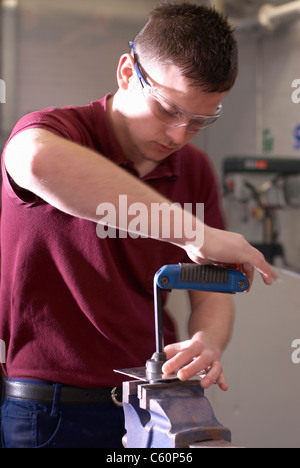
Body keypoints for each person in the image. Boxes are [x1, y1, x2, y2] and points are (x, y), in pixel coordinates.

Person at [0, 2, 276, 448]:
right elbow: (33, 159)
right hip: (51, 410)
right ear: (128, 72)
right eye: (168, 110)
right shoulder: (57, 133)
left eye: (200, 121)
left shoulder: (194, 170)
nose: (178, 136)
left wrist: (207, 341)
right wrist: (193, 232)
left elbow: (212, 290)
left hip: (159, 401)